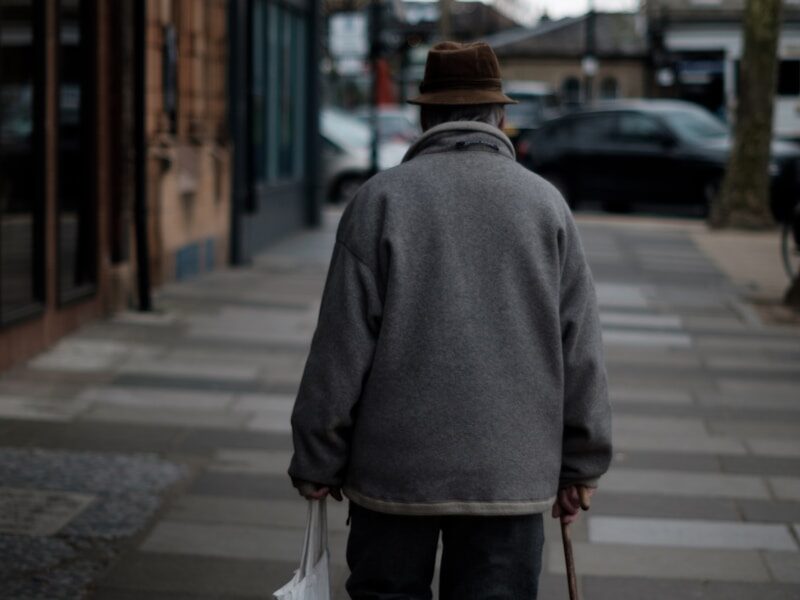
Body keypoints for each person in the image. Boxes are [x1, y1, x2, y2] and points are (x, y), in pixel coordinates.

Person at [289, 41, 612, 599]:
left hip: (394, 473)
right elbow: (579, 346)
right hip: (510, 474)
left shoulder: (379, 201)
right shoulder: (545, 206)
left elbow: (340, 346)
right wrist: (581, 465)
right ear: (501, 117)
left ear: (423, 116)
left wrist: (318, 455)